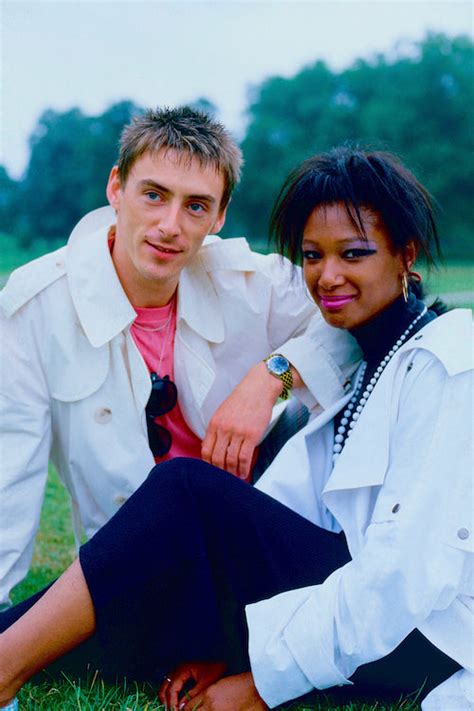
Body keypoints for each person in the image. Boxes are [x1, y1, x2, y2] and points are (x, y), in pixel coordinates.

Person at [0, 147, 472, 711]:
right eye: (312, 256)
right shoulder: (369, 352)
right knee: (130, 600)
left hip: (414, 636)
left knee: (186, 489)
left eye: (354, 254)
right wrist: (237, 653)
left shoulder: (448, 360)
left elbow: (405, 577)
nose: (327, 276)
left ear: (406, 254)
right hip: (334, 604)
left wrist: (263, 682)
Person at [0, 107, 359, 609]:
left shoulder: (250, 281)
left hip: (256, 530)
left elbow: (365, 316)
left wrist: (272, 376)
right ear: (116, 189)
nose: (170, 225)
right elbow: (8, 473)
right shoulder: (36, 303)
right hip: (131, 560)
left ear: (219, 215)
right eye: (153, 195)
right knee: (25, 629)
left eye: (195, 206)